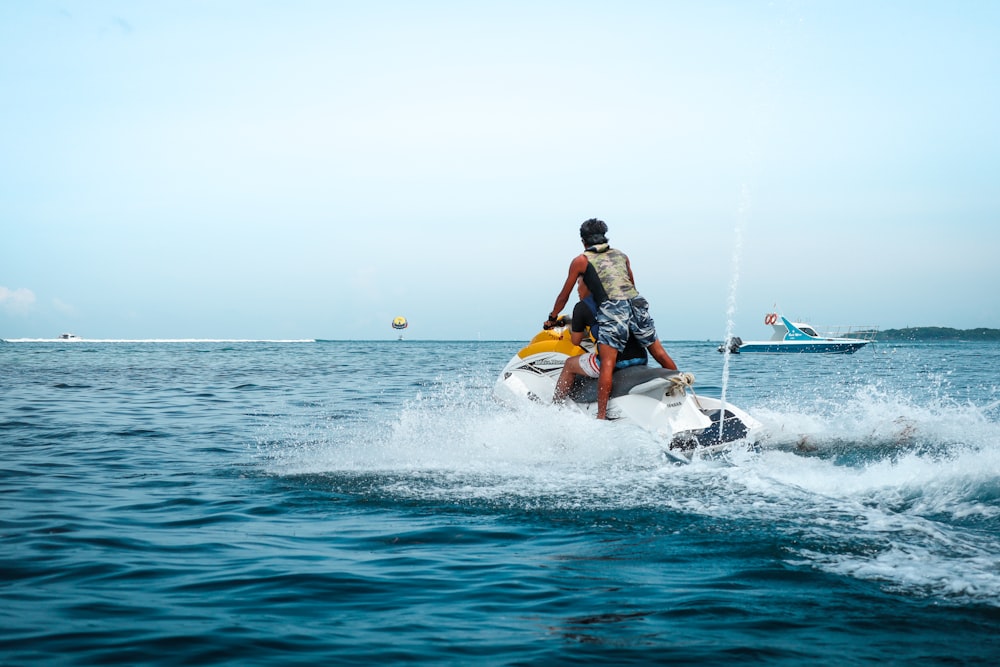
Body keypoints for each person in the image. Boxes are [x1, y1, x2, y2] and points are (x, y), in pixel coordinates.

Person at [545, 218, 677, 419]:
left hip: (612, 307)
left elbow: (564, 295)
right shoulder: (621, 255)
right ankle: (680, 393)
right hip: (636, 303)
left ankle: (601, 417)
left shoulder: (581, 260)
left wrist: (552, 317)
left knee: (607, 362)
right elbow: (631, 283)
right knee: (659, 353)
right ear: (605, 236)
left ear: (583, 241)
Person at [552, 278, 648, 403]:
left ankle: (556, 406)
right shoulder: (621, 302)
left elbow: (576, 340)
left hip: (616, 361)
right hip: (640, 357)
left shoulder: (582, 306)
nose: (577, 289)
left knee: (570, 364)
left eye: (579, 283)